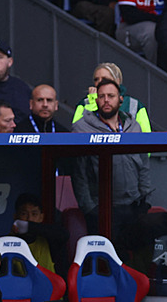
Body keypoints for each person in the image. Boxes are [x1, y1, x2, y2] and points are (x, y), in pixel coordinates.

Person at [71, 78, 152, 249]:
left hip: (133, 207)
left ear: (120, 99)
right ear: (96, 100)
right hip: (101, 209)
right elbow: (79, 172)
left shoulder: (134, 126)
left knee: (135, 259)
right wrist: (89, 208)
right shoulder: (82, 128)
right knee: (105, 261)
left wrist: (144, 199)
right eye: (101, 96)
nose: (106, 100)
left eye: (111, 96)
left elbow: (143, 163)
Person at [72, 62, 151, 132]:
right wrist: (93, 102)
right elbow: (78, 129)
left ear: (117, 81)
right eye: (96, 79)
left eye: (104, 79)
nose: (100, 82)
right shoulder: (85, 103)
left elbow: (146, 136)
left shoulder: (134, 104)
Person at [11, 193, 69, 277]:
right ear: (15, 217)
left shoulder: (50, 238)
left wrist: (27, 226)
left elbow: (64, 235)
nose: (29, 218)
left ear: (41, 217)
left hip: (51, 287)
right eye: (24, 214)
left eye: (34, 214)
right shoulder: (8, 241)